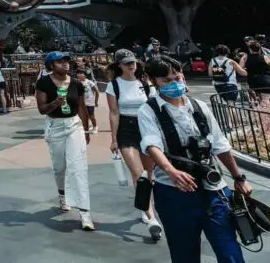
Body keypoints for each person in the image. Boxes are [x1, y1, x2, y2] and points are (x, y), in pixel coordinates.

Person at [138, 55, 253, 262]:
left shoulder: (199, 106)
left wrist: (238, 177)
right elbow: (151, 144)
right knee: (184, 253)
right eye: (166, 80)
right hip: (174, 192)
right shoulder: (148, 110)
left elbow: (220, 145)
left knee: (229, 251)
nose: (174, 84)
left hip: (213, 189)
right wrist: (171, 171)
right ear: (153, 81)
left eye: (177, 77)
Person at [106, 48, 162, 239]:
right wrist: (114, 139)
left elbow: (155, 107)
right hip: (126, 129)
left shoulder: (145, 83)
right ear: (119, 65)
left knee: (149, 174)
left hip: (146, 128)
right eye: (127, 63)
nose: (131, 65)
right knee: (139, 175)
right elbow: (114, 113)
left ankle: (145, 205)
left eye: (133, 61)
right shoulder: (114, 85)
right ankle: (151, 217)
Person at [35, 51, 94, 231]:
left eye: (66, 61)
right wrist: (55, 103)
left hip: (74, 125)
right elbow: (42, 109)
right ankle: (63, 196)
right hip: (55, 126)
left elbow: (82, 108)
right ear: (52, 65)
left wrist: (86, 129)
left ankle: (85, 213)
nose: (65, 64)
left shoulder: (76, 83)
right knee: (60, 167)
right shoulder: (43, 83)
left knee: (78, 167)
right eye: (60, 61)